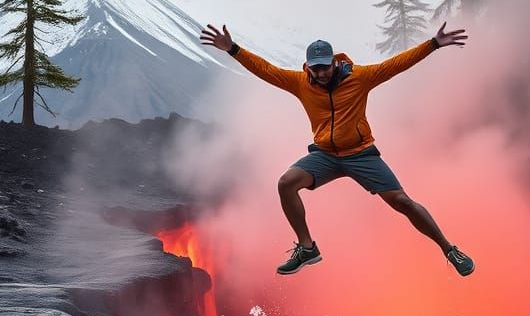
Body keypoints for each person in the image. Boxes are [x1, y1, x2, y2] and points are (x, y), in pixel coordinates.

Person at [199, 21, 476, 277]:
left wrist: (433, 44)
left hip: (361, 153)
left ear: (334, 62)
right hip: (325, 155)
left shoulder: (360, 77)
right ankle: (308, 249)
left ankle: (449, 249)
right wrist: (233, 49)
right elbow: (267, 71)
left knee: (402, 202)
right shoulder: (301, 83)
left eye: (324, 67)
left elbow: (396, 64)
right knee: (286, 183)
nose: (320, 73)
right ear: (308, 66)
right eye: (315, 68)